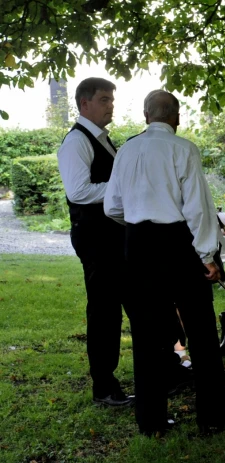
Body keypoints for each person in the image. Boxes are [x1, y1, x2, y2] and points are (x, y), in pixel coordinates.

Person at [104, 90, 225, 436]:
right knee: (200, 332)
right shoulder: (183, 149)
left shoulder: (125, 151)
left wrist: (139, 223)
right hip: (177, 243)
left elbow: (111, 207)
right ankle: (213, 417)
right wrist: (208, 255)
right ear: (176, 117)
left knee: (147, 334)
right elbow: (197, 208)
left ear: (145, 114)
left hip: (137, 245)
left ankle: (150, 421)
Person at [56, 77, 135, 407]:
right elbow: (78, 192)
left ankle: (170, 364)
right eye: (104, 99)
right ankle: (103, 385)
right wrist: (124, 190)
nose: (110, 105)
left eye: (111, 99)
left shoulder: (102, 139)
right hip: (95, 237)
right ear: (84, 104)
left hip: (113, 236)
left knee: (133, 301)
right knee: (104, 311)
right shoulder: (76, 142)